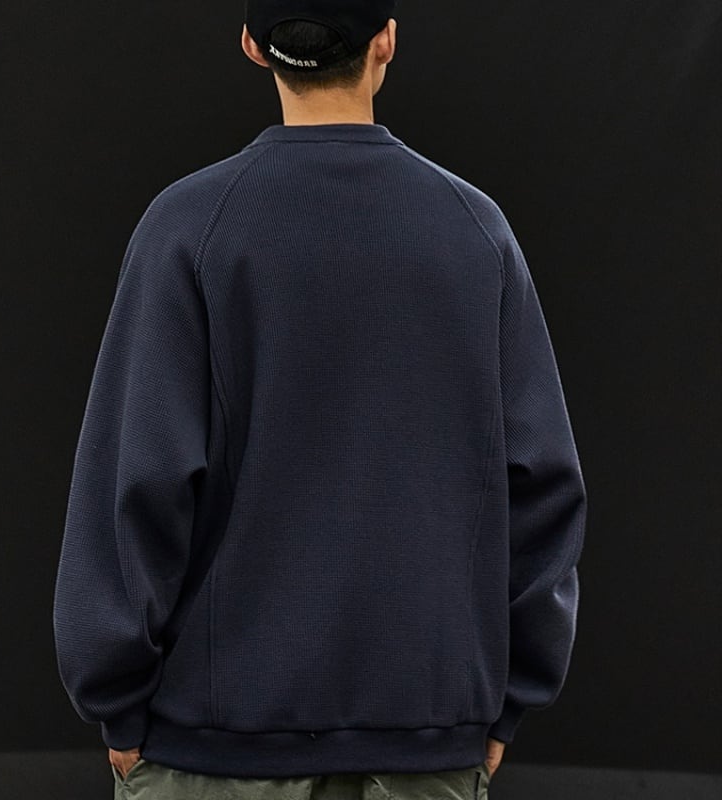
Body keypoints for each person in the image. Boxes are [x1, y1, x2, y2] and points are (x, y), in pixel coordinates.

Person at [52, 1, 587, 798]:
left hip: (213, 747)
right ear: (386, 41)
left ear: (252, 46)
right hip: (428, 736)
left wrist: (115, 698)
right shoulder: (476, 232)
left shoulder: (189, 228)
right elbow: (543, 488)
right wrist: (508, 701)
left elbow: (135, 483)